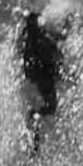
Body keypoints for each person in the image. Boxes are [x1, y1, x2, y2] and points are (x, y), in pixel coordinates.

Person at [21, 10, 71, 148]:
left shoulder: (27, 39)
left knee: (49, 108)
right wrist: (68, 23)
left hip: (37, 78)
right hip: (47, 77)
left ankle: (33, 125)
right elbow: (61, 38)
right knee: (50, 108)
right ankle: (34, 118)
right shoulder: (43, 38)